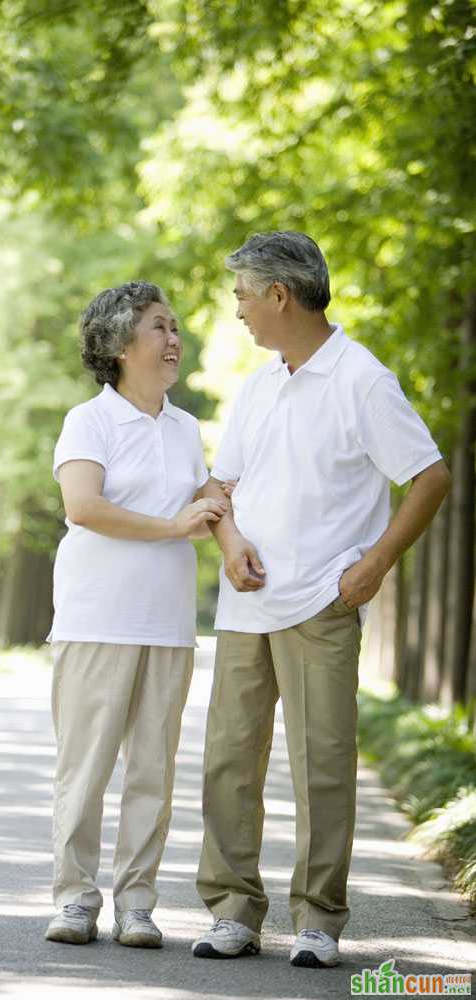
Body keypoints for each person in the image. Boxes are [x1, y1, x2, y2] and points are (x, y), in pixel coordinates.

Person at [191, 232, 451, 968]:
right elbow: (221, 485)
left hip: (322, 600)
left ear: (279, 295)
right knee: (228, 761)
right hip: (247, 602)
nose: (237, 309)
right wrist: (228, 539)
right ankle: (233, 910)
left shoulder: (361, 379)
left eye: (242, 294)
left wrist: (373, 566)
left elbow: (428, 476)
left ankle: (317, 918)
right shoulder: (258, 383)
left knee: (323, 762)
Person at [45, 281, 227, 950]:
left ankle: (137, 906)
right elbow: (84, 507)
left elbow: (205, 509)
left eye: (174, 326)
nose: (174, 339)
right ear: (121, 345)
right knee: (85, 770)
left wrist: (209, 518)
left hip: (168, 625)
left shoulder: (184, 428)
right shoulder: (86, 421)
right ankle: (72, 900)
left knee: (152, 774)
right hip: (96, 621)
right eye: (159, 327)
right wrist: (175, 525)